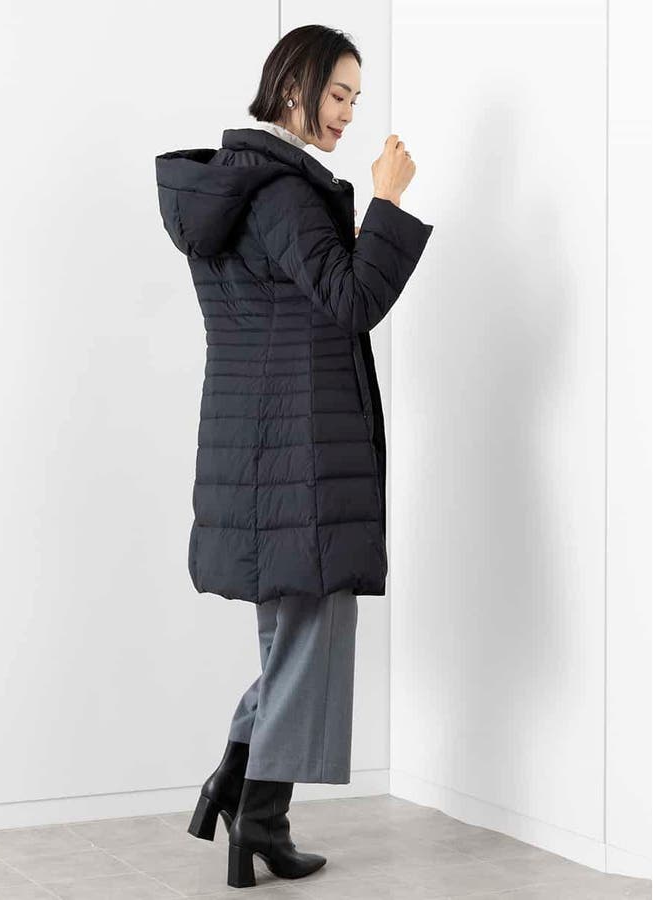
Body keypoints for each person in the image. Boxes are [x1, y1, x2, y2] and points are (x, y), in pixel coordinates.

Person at [155, 24, 433, 889]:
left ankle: (243, 800)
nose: (349, 112)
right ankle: (255, 814)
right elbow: (351, 302)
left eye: (356, 97)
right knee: (312, 636)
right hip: (302, 445)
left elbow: (304, 305)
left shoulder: (243, 186)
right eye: (339, 94)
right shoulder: (284, 193)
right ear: (292, 91)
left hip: (256, 441)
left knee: (293, 639)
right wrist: (386, 204)